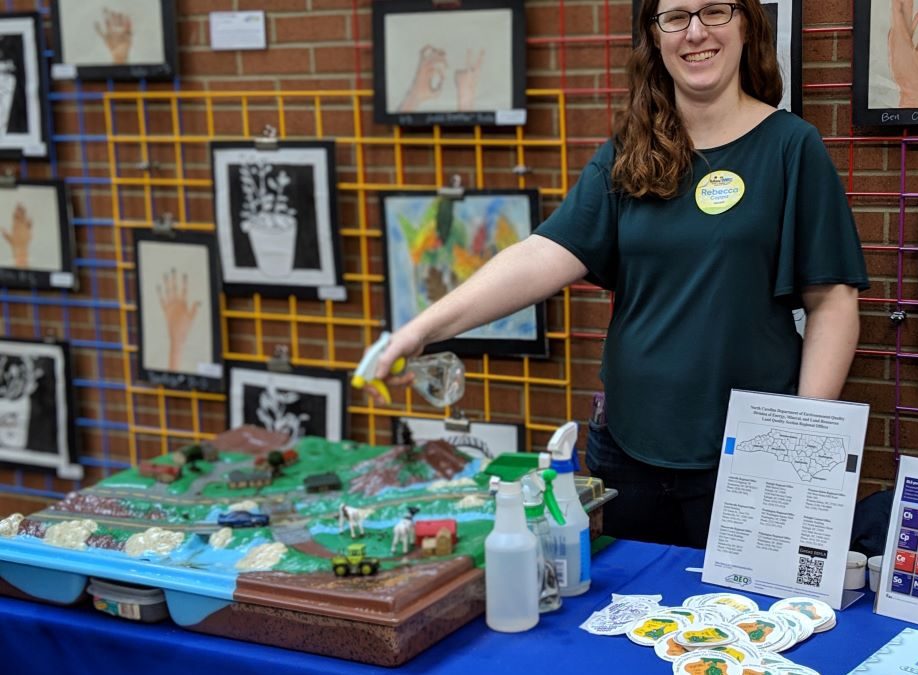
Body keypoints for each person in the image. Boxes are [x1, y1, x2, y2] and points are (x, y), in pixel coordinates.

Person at [368, 0, 868, 548]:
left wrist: (802, 442)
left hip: (753, 456)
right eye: (675, 17)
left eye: (715, 12)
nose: (695, 32)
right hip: (627, 450)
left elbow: (833, 301)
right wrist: (419, 331)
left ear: (746, 22)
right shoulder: (632, 153)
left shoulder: (791, 147)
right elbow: (540, 256)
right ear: (654, 37)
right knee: (627, 618)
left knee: (742, 622)